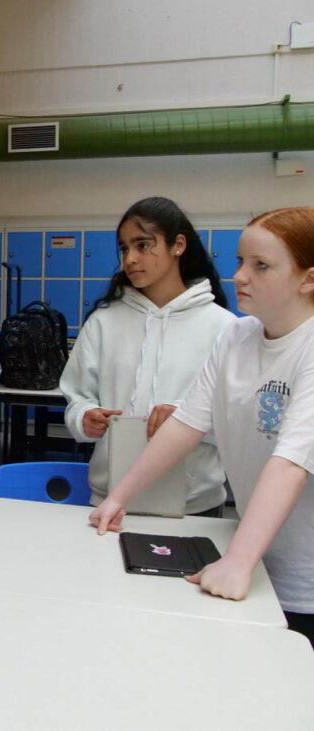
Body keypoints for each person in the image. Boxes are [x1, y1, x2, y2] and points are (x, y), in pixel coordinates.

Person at [92, 206, 314, 647]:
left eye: (261, 266)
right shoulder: (237, 337)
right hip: (253, 552)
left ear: (308, 279)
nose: (240, 277)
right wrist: (120, 495)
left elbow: (290, 461)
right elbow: (185, 425)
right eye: (240, 262)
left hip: (303, 576)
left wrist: (238, 560)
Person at [60, 197, 236, 514]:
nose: (131, 259)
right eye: (125, 249)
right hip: (110, 500)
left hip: (194, 505)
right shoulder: (104, 322)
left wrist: (186, 419)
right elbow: (77, 397)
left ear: (178, 245)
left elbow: (235, 417)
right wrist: (85, 418)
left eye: (143, 245)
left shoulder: (223, 327)